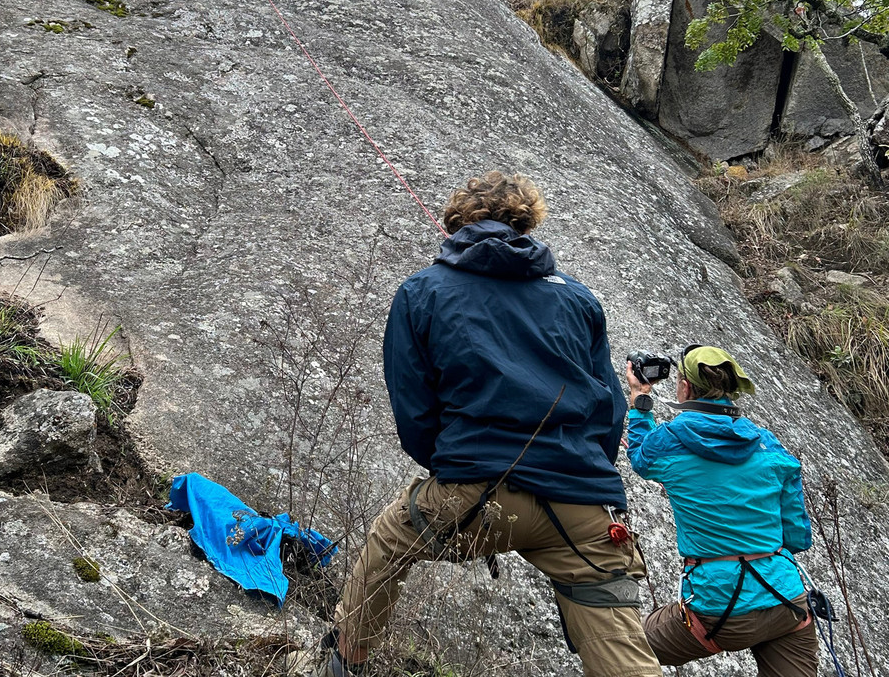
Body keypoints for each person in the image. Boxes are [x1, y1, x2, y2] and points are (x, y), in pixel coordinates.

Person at [313, 172, 662, 677]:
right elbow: (609, 408)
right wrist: (579, 469)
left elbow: (414, 411)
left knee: (391, 541)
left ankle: (345, 661)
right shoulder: (579, 299)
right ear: (526, 224)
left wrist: (456, 463)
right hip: (581, 505)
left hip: (476, 492)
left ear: (456, 223)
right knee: (622, 652)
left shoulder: (422, 291)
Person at [625, 345, 818, 677]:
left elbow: (641, 456)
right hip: (788, 604)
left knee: (619, 648)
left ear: (684, 387)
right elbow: (798, 537)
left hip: (719, 611)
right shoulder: (766, 444)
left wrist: (641, 397)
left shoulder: (670, 442)